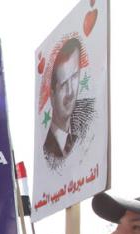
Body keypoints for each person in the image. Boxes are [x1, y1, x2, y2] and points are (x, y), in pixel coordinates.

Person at [42, 37, 94, 167]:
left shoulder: (83, 136)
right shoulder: (46, 151)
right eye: (64, 84)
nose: (71, 92)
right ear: (52, 95)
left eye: (75, 77)